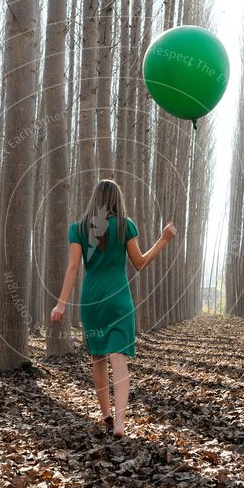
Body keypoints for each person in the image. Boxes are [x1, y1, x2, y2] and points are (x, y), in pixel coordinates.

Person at [50, 179, 176, 438]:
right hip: (119, 301)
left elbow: (73, 268)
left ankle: (105, 414)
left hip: (92, 301)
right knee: (118, 359)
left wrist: (61, 303)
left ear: (94, 198)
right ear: (117, 199)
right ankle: (119, 423)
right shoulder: (125, 226)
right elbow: (140, 263)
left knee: (98, 357)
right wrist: (163, 239)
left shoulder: (79, 229)